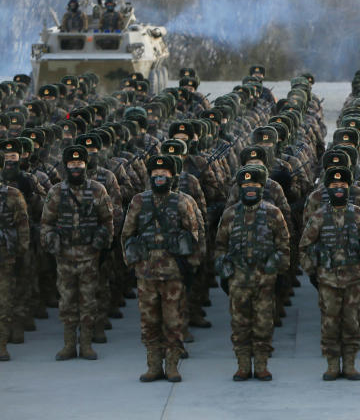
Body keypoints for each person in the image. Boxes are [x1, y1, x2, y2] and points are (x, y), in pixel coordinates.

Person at [122, 154, 202, 382]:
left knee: (173, 321)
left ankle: (173, 365)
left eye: (164, 174)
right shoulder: (139, 201)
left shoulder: (181, 202)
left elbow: (194, 234)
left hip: (173, 273)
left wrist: (190, 268)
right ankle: (154, 365)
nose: (159, 177)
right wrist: (132, 263)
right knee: (149, 322)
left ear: (172, 176)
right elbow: (127, 234)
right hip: (146, 273)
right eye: (155, 174)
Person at [299, 167, 360, 381]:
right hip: (327, 280)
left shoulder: (358, 214)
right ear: (327, 189)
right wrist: (313, 272)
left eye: (343, 186)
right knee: (330, 324)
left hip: (353, 280)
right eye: (334, 186)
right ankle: (332, 364)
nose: (339, 189)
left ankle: (350, 364)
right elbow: (304, 246)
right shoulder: (319, 216)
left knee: (352, 322)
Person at [215, 165, 290, 381]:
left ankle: (262, 365)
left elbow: (284, 246)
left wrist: (274, 267)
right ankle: (243, 366)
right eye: (246, 185)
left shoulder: (273, 213)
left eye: (254, 185)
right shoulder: (230, 215)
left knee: (263, 324)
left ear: (261, 187)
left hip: (264, 281)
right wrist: (224, 268)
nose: (250, 189)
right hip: (238, 281)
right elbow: (220, 245)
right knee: (239, 325)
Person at [40, 145, 113, 361]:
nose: (75, 168)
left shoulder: (98, 190)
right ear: (65, 166)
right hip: (64, 256)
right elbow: (47, 223)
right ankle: (69, 344)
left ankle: (87, 344)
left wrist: (101, 242)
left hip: (90, 255)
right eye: (71, 164)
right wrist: (52, 243)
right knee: (67, 301)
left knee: (89, 300)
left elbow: (107, 221)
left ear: (85, 165)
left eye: (79, 164)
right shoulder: (55, 192)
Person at [0, 142, 30, 362]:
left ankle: (2, 345)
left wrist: (21, 252)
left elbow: (22, 225)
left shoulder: (12, 194)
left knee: (4, 301)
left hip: (5, 255)